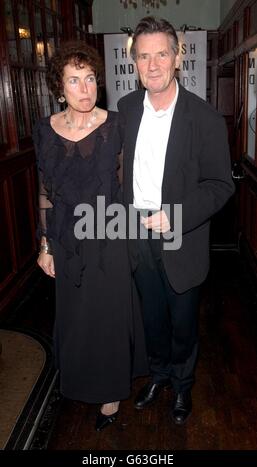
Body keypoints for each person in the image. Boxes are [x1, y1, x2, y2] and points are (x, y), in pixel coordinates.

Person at [118, 16, 235, 425]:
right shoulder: (127, 109)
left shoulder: (205, 118)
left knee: (183, 323)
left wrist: (176, 216)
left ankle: (183, 386)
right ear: (134, 62)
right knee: (150, 317)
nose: (152, 65)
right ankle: (159, 375)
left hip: (180, 238)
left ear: (177, 56)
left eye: (161, 54)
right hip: (136, 234)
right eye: (143, 57)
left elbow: (221, 185)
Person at [33, 40, 148, 432]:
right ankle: (82, 382)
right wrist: (45, 244)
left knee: (110, 319)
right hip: (66, 241)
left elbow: (128, 185)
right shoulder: (44, 130)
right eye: (74, 81)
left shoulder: (117, 124)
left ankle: (111, 393)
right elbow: (45, 190)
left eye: (91, 79)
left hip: (109, 237)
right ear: (59, 87)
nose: (85, 89)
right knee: (77, 319)